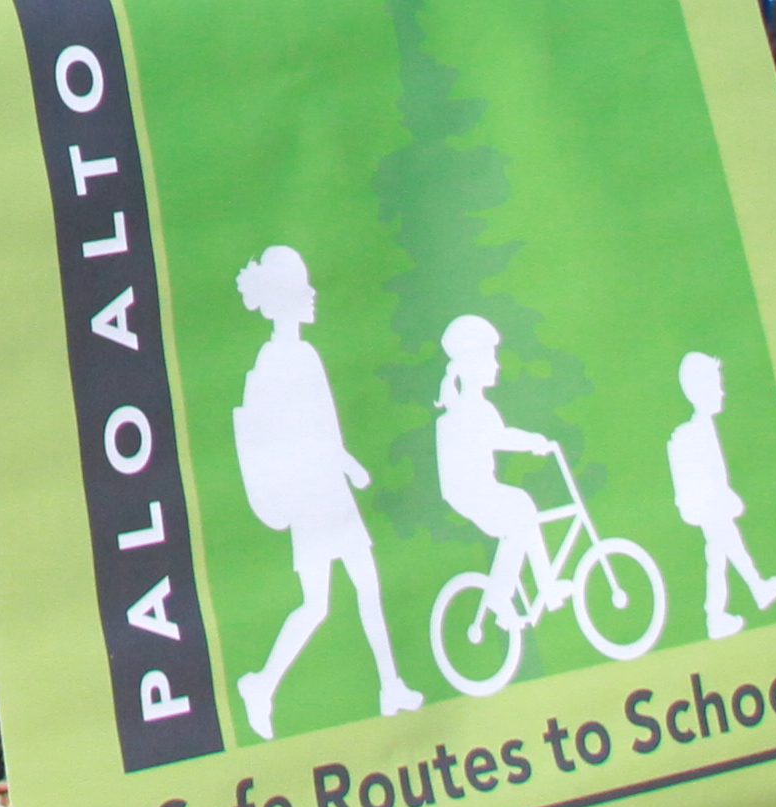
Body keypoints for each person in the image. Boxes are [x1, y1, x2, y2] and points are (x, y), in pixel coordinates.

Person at [225, 247, 416, 739]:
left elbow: (323, 424)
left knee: (366, 589)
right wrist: (332, 466)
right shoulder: (276, 359)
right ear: (285, 300)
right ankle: (262, 684)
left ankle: (390, 687)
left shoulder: (302, 353)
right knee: (318, 604)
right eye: (303, 290)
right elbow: (292, 433)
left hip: (331, 490)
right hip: (313, 498)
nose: (312, 298)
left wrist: (347, 465)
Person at [431, 314, 562, 633]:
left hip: (475, 490)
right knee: (521, 507)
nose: (496, 365)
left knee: (521, 515)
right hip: (471, 492)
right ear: (474, 363)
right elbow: (497, 438)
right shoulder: (468, 411)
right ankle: (513, 594)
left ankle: (543, 587)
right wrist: (533, 442)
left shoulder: (473, 409)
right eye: (491, 358)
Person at [667, 350, 776, 639]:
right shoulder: (694, 433)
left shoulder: (705, 428)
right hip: (706, 505)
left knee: (719, 552)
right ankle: (750, 593)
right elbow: (704, 477)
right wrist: (724, 497)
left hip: (712, 504)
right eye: (715, 385)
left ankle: (723, 611)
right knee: (723, 547)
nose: (721, 391)